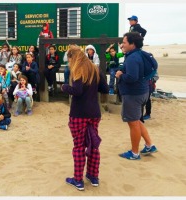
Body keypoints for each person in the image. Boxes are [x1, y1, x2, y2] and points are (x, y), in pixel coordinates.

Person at [61, 44, 109, 191]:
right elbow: (105, 89)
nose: (68, 62)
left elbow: (77, 90)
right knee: (93, 146)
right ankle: (93, 176)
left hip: (79, 114)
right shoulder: (95, 68)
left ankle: (78, 180)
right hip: (94, 113)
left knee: (79, 147)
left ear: (72, 58)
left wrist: (64, 87)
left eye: (69, 59)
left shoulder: (78, 70)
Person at [115, 32, 158, 160]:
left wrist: (120, 74)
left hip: (134, 94)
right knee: (137, 120)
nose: (122, 45)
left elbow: (132, 77)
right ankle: (150, 145)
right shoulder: (138, 54)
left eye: (124, 42)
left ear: (132, 44)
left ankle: (134, 153)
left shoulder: (133, 58)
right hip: (143, 92)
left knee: (133, 123)